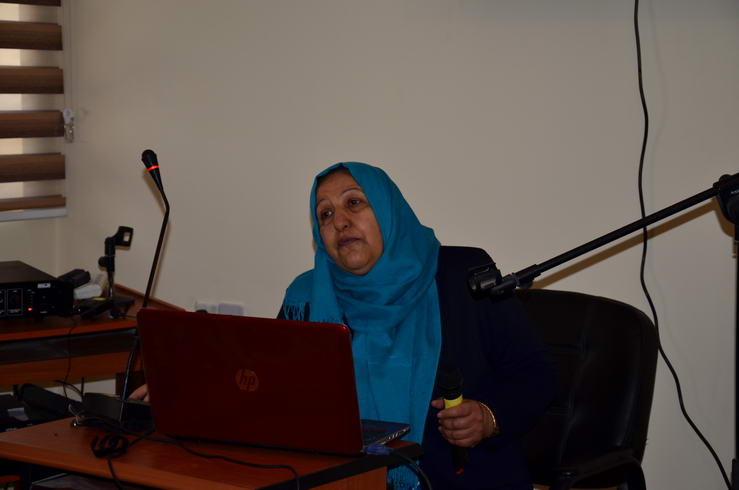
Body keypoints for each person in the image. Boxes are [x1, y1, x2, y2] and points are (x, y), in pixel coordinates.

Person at [132, 161, 557, 489]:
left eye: (354, 203)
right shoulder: (306, 294)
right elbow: (268, 387)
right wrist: (188, 391)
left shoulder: (462, 274)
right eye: (325, 214)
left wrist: (488, 416)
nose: (339, 221)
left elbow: (535, 373)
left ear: (388, 210)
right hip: (337, 480)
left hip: (459, 479)